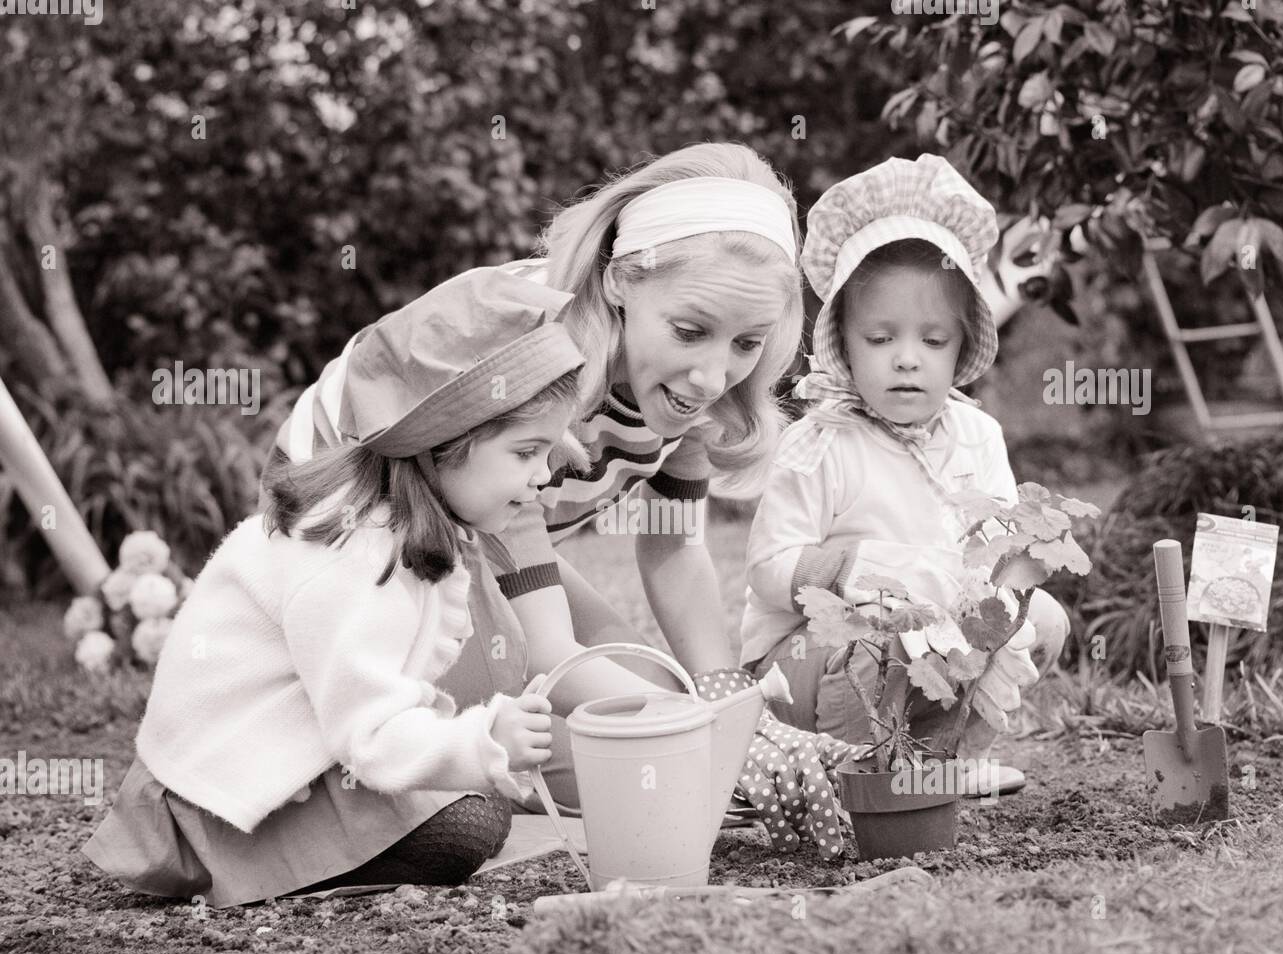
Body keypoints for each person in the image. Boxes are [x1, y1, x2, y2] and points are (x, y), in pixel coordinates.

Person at [273, 143, 870, 859]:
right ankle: (374, 762)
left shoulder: (690, 393)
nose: (713, 374)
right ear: (622, 280)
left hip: (480, 544)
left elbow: (676, 550)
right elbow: (547, 646)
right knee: (587, 717)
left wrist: (731, 710)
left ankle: (531, 764)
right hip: (363, 539)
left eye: (747, 342)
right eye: (689, 331)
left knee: (648, 692)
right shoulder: (532, 355)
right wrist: (709, 739)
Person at [83, 268, 586, 907]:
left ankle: (357, 841)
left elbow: (386, 695)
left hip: (291, 762)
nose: (542, 477)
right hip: (228, 794)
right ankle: (288, 867)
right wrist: (482, 741)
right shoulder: (357, 551)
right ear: (443, 444)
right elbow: (370, 734)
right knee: (469, 825)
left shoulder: (395, 523)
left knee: (470, 803)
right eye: (526, 453)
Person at [741, 155, 1071, 794]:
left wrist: (1007, 579)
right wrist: (862, 571)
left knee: (1040, 615)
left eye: (933, 340)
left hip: (934, 643)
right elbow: (768, 570)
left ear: (964, 344)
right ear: (841, 339)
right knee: (883, 641)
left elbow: (998, 549)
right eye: (880, 339)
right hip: (809, 665)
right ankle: (853, 769)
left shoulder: (976, 435)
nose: (907, 360)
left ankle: (948, 754)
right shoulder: (820, 443)